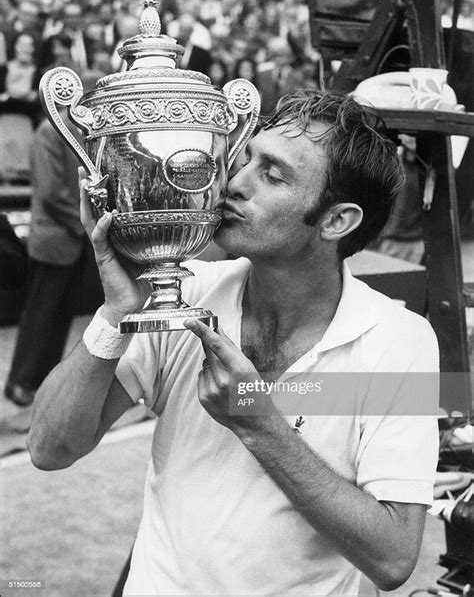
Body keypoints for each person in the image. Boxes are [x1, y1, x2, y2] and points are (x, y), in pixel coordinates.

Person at [28, 90, 440, 596]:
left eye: (272, 174)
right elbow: (49, 449)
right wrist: (116, 313)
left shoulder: (403, 341)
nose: (235, 183)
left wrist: (259, 423)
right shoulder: (186, 295)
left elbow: (395, 558)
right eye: (244, 158)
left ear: (336, 221)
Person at [4, 111, 103, 408]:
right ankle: (20, 382)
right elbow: (50, 193)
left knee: (60, 317)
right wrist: (84, 223)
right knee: (40, 315)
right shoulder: (50, 131)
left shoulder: (79, 133)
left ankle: (43, 380)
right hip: (53, 240)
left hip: (72, 241)